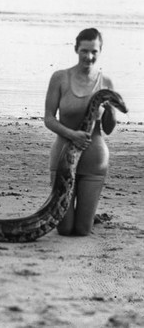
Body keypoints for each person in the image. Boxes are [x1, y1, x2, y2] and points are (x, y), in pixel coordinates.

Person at [44, 28, 117, 236]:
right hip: (62, 155)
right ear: (76, 49)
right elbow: (49, 118)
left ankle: (88, 216)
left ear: (100, 51)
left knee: (82, 230)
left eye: (94, 51)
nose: (89, 56)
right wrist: (72, 134)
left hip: (94, 157)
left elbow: (109, 129)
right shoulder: (60, 78)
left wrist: (110, 109)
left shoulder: (106, 83)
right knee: (64, 229)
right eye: (84, 51)